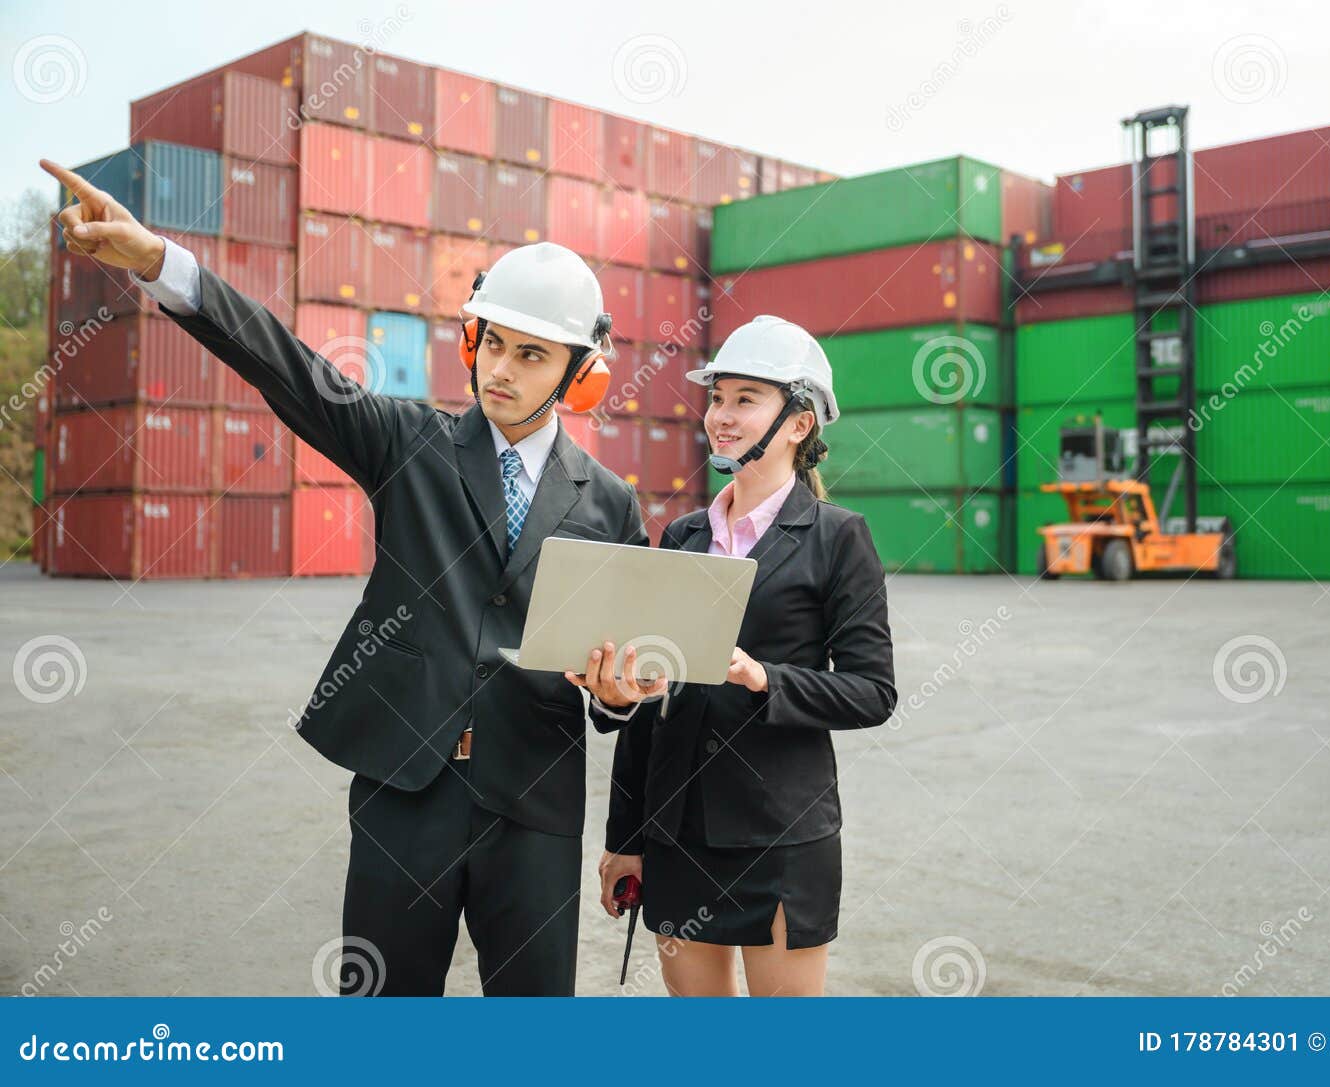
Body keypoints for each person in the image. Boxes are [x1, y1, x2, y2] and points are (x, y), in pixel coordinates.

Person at [43, 158, 668, 997]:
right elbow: (288, 367)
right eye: (492, 342)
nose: (501, 370)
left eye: (531, 353)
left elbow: (613, 685)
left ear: (580, 373)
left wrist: (619, 695)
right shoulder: (409, 445)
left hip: (535, 811)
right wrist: (160, 262)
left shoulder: (614, 504)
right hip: (406, 795)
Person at [567, 315, 898, 997]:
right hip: (677, 832)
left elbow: (873, 691)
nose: (721, 414)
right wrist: (626, 833)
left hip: (782, 838)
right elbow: (645, 713)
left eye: (746, 399)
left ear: (799, 423)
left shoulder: (838, 538)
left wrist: (763, 678)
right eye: (718, 397)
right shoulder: (683, 536)